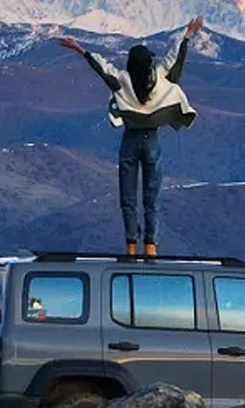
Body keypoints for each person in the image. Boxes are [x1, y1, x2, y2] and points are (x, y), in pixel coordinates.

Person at [59, 17, 203, 257]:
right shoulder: (160, 76)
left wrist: (80, 49)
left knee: (128, 194)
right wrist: (187, 34)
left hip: (130, 139)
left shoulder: (123, 81)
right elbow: (175, 58)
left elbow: (101, 68)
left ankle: (130, 244)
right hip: (152, 140)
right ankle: (151, 245)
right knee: (152, 194)